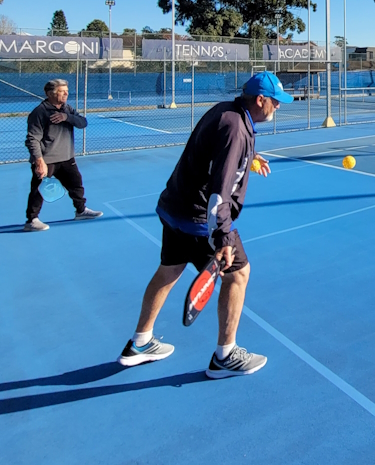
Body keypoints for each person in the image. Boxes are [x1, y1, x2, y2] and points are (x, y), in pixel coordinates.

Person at [118, 71, 293, 379]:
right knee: (238, 274)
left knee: (169, 269)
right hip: (200, 218)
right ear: (261, 100)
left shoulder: (226, 111)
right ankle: (225, 356)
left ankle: (140, 342)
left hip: (174, 207)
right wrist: (223, 237)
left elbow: (215, 151)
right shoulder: (236, 130)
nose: (278, 107)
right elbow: (219, 194)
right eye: (275, 102)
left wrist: (249, 156)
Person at [24, 79, 103, 232]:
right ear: (50, 94)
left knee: (76, 184)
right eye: (62, 91)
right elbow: (32, 139)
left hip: (67, 157)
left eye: (66, 90)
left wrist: (67, 117)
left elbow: (83, 123)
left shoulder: (67, 108)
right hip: (47, 160)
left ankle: (81, 211)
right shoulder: (39, 112)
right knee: (38, 191)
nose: (66, 93)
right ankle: (32, 220)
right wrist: (39, 161)